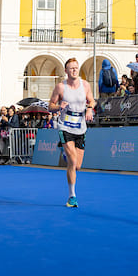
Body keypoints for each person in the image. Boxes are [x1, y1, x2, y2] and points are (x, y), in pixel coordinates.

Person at [48, 57, 95, 208]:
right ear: (66, 71)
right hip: (65, 126)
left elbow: (92, 100)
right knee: (72, 162)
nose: (74, 70)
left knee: (78, 165)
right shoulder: (61, 87)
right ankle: (72, 196)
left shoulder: (85, 85)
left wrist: (89, 108)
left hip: (80, 127)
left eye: (76, 67)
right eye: (71, 68)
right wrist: (58, 106)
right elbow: (50, 105)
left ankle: (65, 153)